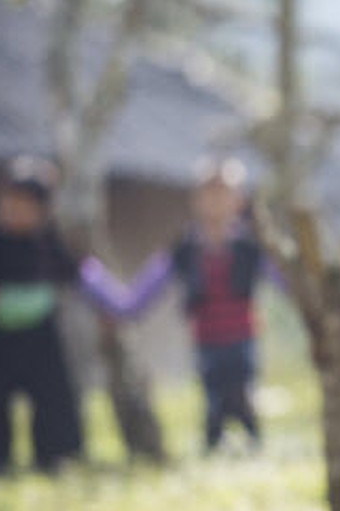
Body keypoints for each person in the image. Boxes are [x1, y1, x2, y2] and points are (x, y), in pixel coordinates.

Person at [84, 158, 272, 452]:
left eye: (223, 193)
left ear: (239, 200)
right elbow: (135, 301)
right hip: (206, 340)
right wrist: (90, 277)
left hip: (242, 339)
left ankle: (254, 449)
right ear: (196, 200)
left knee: (243, 398)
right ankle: (216, 449)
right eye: (209, 193)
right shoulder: (184, 250)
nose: (216, 201)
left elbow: (291, 285)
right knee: (213, 403)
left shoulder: (252, 248)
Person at [0, 157, 84, 472]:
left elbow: (79, 273)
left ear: (41, 210)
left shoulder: (48, 244)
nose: (14, 209)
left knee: (53, 395)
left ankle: (52, 456)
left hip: (41, 332)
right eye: (9, 201)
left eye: (24, 204)